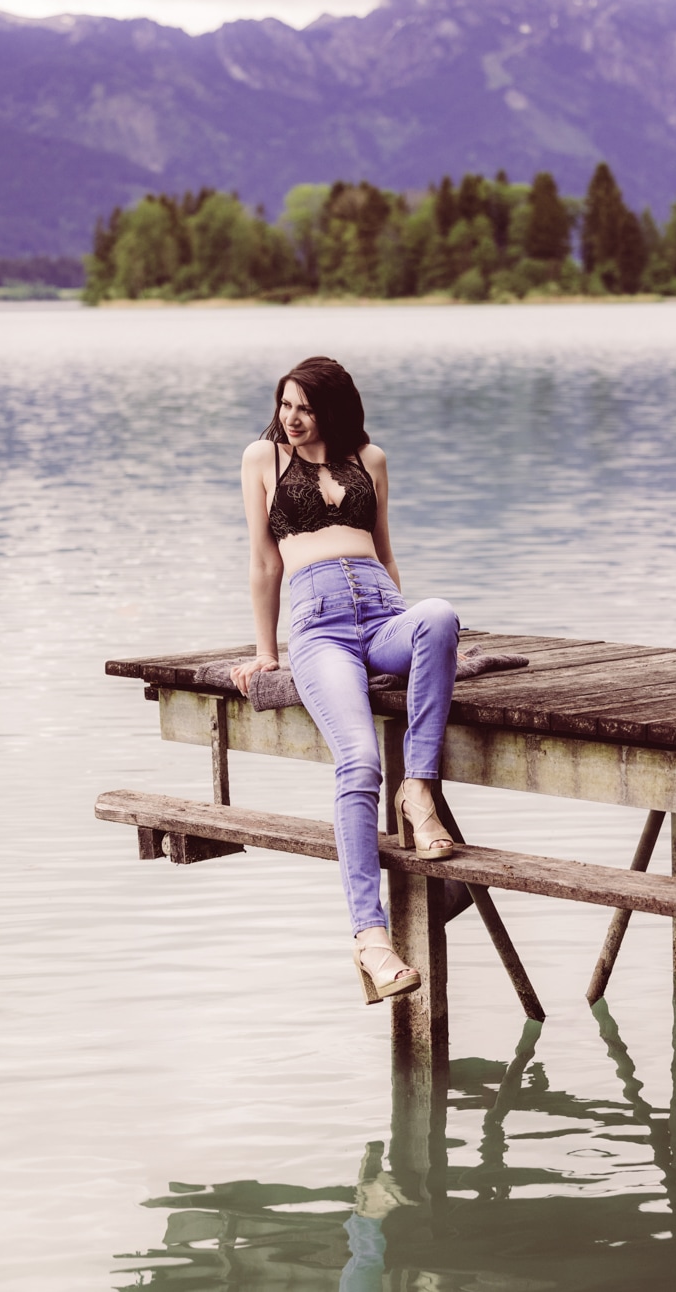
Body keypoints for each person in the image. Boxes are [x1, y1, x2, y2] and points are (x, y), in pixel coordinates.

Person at [230, 355, 460, 1004]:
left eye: (305, 407)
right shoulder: (263, 459)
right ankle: (370, 938)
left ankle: (418, 790)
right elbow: (264, 563)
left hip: (382, 613)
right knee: (358, 761)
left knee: (439, 616)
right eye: (285, 405)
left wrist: (402, 621)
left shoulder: (370, 459)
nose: (292, 418)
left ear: (332, 409)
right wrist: (266, 651)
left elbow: (386, 553)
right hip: (320, 627)